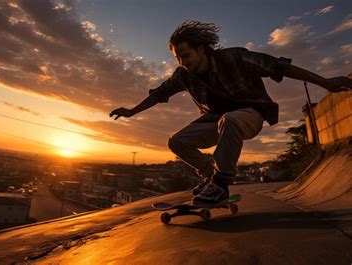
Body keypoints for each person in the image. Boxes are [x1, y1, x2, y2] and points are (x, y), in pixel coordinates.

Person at [109, 20, 352, 205]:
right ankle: (211, 176)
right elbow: (158, 94)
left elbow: (281, 67)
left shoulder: (235, 58)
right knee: (177, 142)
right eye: (177, 58)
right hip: (215, 120)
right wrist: (132, 111)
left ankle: (220, 184)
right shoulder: (183, 75)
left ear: (202, 49)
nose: (183, 63)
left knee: (231, 119)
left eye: (186, 56)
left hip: (250, 113)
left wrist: (325, 82)